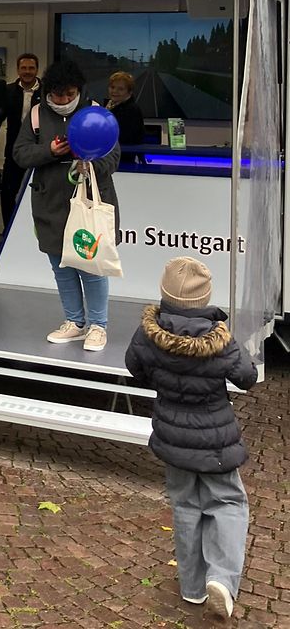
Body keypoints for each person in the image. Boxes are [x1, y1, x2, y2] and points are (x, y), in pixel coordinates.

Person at [124, 257, 257, 621]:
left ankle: (193, 588)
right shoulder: (220, 341)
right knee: (228, 503)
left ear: (165, 295)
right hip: (215, 440)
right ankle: (222, 581)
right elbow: (248, 377)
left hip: (171, 435)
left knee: (185, 505)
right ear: (205, 299)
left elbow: (134, 368)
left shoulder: (148, 334)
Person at [12, 59, 120, 351]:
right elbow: (20, 154)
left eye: (70, 95)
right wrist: (48, 151)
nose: (63, 101)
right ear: (47, 91)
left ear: (79, 91)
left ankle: (98, 325)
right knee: (61, 265)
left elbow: (112, 158)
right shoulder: (36, 114)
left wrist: (86, 160)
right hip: (50, 202)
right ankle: (75, 322)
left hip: (87, 204)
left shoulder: (97, 112)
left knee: (91, 266)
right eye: (57, 95)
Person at [1, 53, 41, 230]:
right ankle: (7, 236)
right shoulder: (7, 91)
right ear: (18, 70)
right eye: (23, 68)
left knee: (38, 195)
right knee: (8, 194)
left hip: (40, 152)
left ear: (37, 70)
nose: (27, 72)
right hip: (13, 152)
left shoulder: (46, 91)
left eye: (31, 68)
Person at [104, 70, 146, 147]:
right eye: (112, 87)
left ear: (129, 92)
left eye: (120, 89)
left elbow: (126, 137)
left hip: (123, 154)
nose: (114, 91)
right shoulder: (106, 106)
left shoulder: (132, 110)